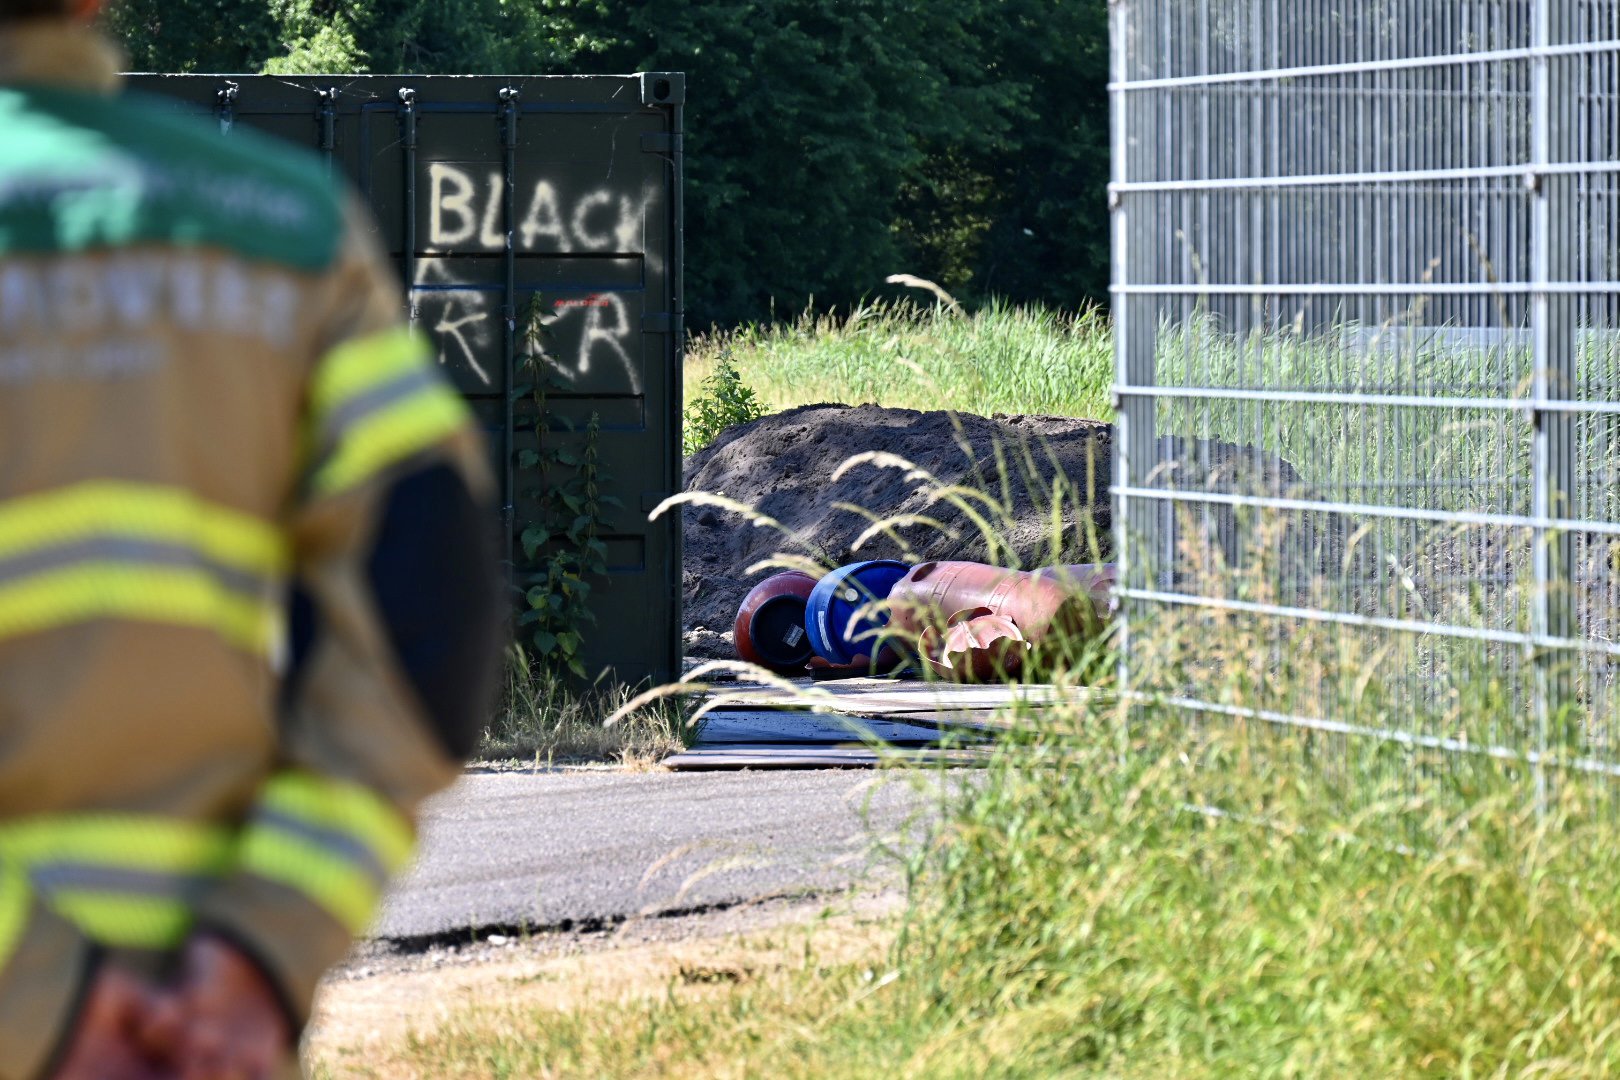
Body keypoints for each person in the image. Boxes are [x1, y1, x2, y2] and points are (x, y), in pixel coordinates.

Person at [0, 1, 503, 1077]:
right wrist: (258, 957)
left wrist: (47, 997)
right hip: (200, 1031)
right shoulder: (283, 227)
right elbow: (435, 608)